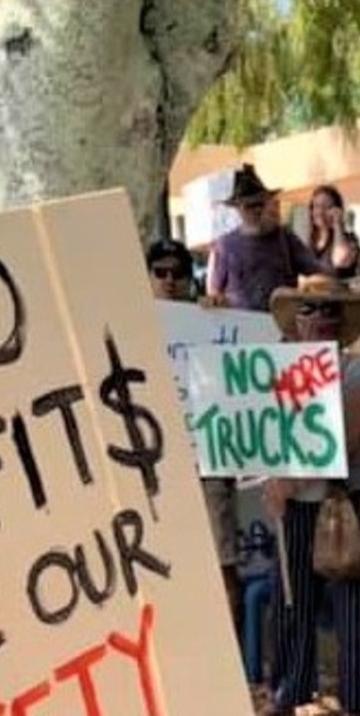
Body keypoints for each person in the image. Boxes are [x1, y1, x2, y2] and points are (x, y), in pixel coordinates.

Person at [260, 278, 360, 716]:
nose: (319, 319)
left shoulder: (358, 369)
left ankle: (356, 704)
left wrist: (287, 479)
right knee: (290, 605)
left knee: (353, 609)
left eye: (330, 310)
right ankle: (287, 697)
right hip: (292, 508)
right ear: (295, 318)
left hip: (345, 504)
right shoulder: (270, 367)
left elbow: (345, 436)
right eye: (309, 309)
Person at [145, 239, 243, 637]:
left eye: (178, 273)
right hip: (156, 466)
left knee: (222, 563)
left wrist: (220, 315)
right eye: (160, 272)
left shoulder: (210, 321)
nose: (169, 280)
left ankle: (231, 655)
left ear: (191, 278)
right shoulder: (132, 321)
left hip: (208, 460)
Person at [206, 164, 331, 311]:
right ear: (238, 208)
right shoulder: (224, 247)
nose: (256, 210)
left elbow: (318, 273)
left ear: (266, 202)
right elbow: (213, 294)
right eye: (249, 206)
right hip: (242, 328)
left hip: (283, 325)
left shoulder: (285, 238)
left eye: (259, 203)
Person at [307, 185, 360, 280]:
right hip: (314, 292)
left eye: (327, 207)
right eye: (316, 206)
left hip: (338, 293)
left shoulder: (349, 240)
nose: (320, 212)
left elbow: (340, 261)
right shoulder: (310, 243)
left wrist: (337, 225)